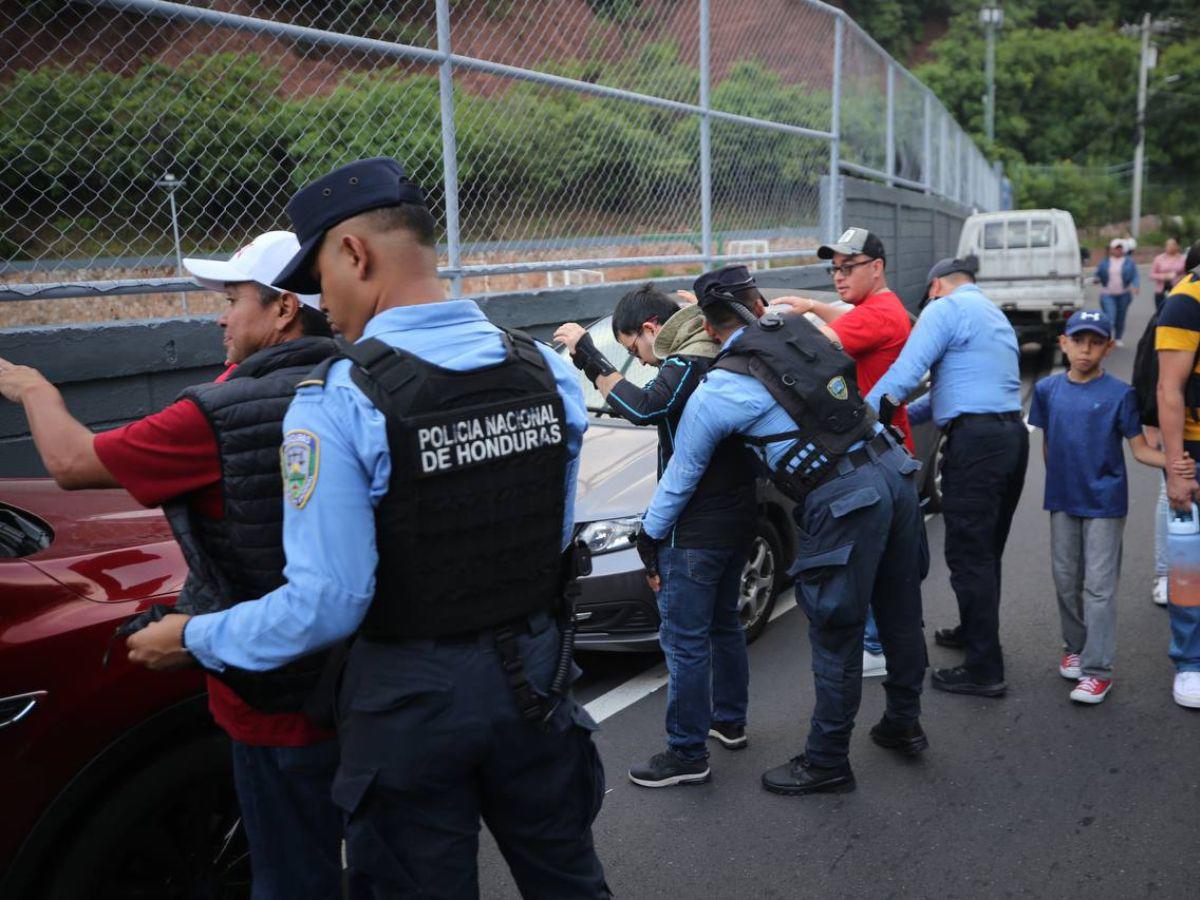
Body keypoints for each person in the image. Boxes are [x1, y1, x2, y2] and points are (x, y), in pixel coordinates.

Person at [126, 158, 610, 898]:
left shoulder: (336, 403)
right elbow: (548, 535)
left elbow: (326, 605)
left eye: (318, 275)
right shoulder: (543, 367)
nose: (320, 301)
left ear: (355, 254)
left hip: (412, 701)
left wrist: (189, 636)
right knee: (568, 879)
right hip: (538, 680)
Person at [0, 231, 342, 899]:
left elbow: (73, 463)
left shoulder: (217, 415)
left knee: (288, 879)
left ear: (283, 311)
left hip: (267, 706)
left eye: (235, 297)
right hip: (349, 689)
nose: (220, 314)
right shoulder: (353, 379)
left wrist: (31, 387)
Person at [638, 265, 928, 797]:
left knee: (836, 633)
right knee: (899, 609)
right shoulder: (798, 331)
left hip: (846, 500)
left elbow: (681, 476)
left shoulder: (723, 387)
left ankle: (826, 761)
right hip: (895, 470)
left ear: (707, 325)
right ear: (759, 301)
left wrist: (649, 536)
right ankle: (903, 723)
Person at [554, 282, 757, 787]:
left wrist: (588, 354)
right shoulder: (720, 348)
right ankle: (728, 721)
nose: (641, 362)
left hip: (697, 524)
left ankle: (687, 754)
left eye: (633, 350)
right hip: (737, 514)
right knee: (724, 624)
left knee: (684, 640)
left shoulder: (688, 361)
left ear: (651, 329)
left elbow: (644, 408)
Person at [868, 256, 1026, 698]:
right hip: (1010, 437)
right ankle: (974, 632)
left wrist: (861, 417)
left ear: (935, 286)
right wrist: (902, 416)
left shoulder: (945, 309)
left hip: (976, 445)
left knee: (967, 554)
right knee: (985, 549)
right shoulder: (991, 314)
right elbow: (944, 398)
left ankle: (984, 669)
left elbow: (902, 375)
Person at [777, 227, 915, 680]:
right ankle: (888, 646)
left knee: (865, 560)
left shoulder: (874, 316)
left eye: (848, 267)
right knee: (887, 561)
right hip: (889, 453)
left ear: (877, 268)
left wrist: (740, 322)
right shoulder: (879, 307)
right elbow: (837, 313)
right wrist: (812, 304)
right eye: (833, 268)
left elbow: (806, 351)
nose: (838, 277)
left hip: (871, 457)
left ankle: (875, 647)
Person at [1028, 310, 1180, 704]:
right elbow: (1049, 445)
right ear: (1064, 342)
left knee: (1098, 587)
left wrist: (1174, 459)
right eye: (1079, 340)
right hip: (1062, 499)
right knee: (1065, 581)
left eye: (1095, 342)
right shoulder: (1046, 391)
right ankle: (1075, 647)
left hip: (1105, 502)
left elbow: (1141, 448)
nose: (1086, 349)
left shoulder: (1119, 394)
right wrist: (1061, 482)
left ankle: (1098, 670)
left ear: (1108, 348)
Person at [1155, 239, 1200, 708]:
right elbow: (1170, 390)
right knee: (1189, 570)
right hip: (1195, 454)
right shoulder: (1186, 301)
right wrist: (1174, 469)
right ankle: (1190, 662)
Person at [1093, 238, 1139, 346]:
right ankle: (1106, 338)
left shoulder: (1129, 262)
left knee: (1120, 317)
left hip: (1124, 294)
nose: (1118, 250)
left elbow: (1134, 275)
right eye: (1116, 248)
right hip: (1107, 294)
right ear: (1111, 249)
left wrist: (1136, 285)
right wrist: (1096, 279)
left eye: (1120, 248)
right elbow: (1097, 274)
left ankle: (1118, 337)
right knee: (1110, 317)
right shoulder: (1104, 262)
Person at [1151, 238, 1188, 313]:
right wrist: (1164, 276)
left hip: (1177, 290)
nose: (1170, 247)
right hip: (1161, 291)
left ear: (1177, 246)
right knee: (1161, 313)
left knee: (1176, 312)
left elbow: (1188, 274)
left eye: (1173, 244)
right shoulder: (1159, 259)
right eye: (1168, 245)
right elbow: (1152, 275)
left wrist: (1180, 277)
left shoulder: (1183, 259)